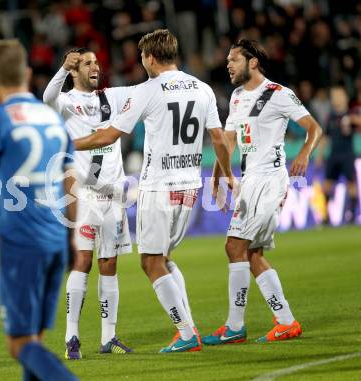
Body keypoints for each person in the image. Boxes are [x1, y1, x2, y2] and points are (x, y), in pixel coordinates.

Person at [72, 29, 235, 353]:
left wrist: (66, 144)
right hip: (190, 186)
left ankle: (186, 332)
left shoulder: (147, 91)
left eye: (142, 56)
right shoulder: (202, 89)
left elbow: (107, 136)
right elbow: (219, 139)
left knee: (150, 262)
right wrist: (226, 175)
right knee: (164, 258)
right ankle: (188, 327)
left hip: (159, 187)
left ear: (149, 57)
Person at [0, 39, 78, 381]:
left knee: (19, 344)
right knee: (35, 339)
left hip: (21, 241)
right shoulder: (54, 119)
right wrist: (71, 240)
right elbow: (71, 183)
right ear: (26, 73)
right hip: (55, 238)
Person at [202, 39, 322, 345]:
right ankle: (271, 323)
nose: (228, 65)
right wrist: (218, 178)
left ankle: (243, 326)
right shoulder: (238, 96)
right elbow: (227, 143)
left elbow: (314, 128)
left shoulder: (279, 94)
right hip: (248, 181)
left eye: (234, 60)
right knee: (243, 250)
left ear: (252, 62)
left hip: (271, 182)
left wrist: (305, 153)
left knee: (238, 245)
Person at [43, 47, 134, 359]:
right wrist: (61, 67)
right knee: (83, 260)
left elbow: (144, 91)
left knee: (109, 263)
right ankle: (72, 337)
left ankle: (109, 337)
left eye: (97, 61)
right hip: (85, 195)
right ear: (74, 70)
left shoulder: (112, 98)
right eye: (87, 63)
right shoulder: (66, 102)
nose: (96, 66)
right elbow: (46, 97)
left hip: (115, 194)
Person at [317, 85, 360, 224]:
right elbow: (325, 137)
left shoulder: (351, 113)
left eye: (338, 95)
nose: (336, 98)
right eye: (334, 95)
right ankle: (325, 217)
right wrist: (319, 154)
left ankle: (352, 215)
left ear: (344, 97)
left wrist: (353, 119)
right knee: (327, 185)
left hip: (347, 154)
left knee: (351, 184)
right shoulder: (331, 117)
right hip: (333, 155)